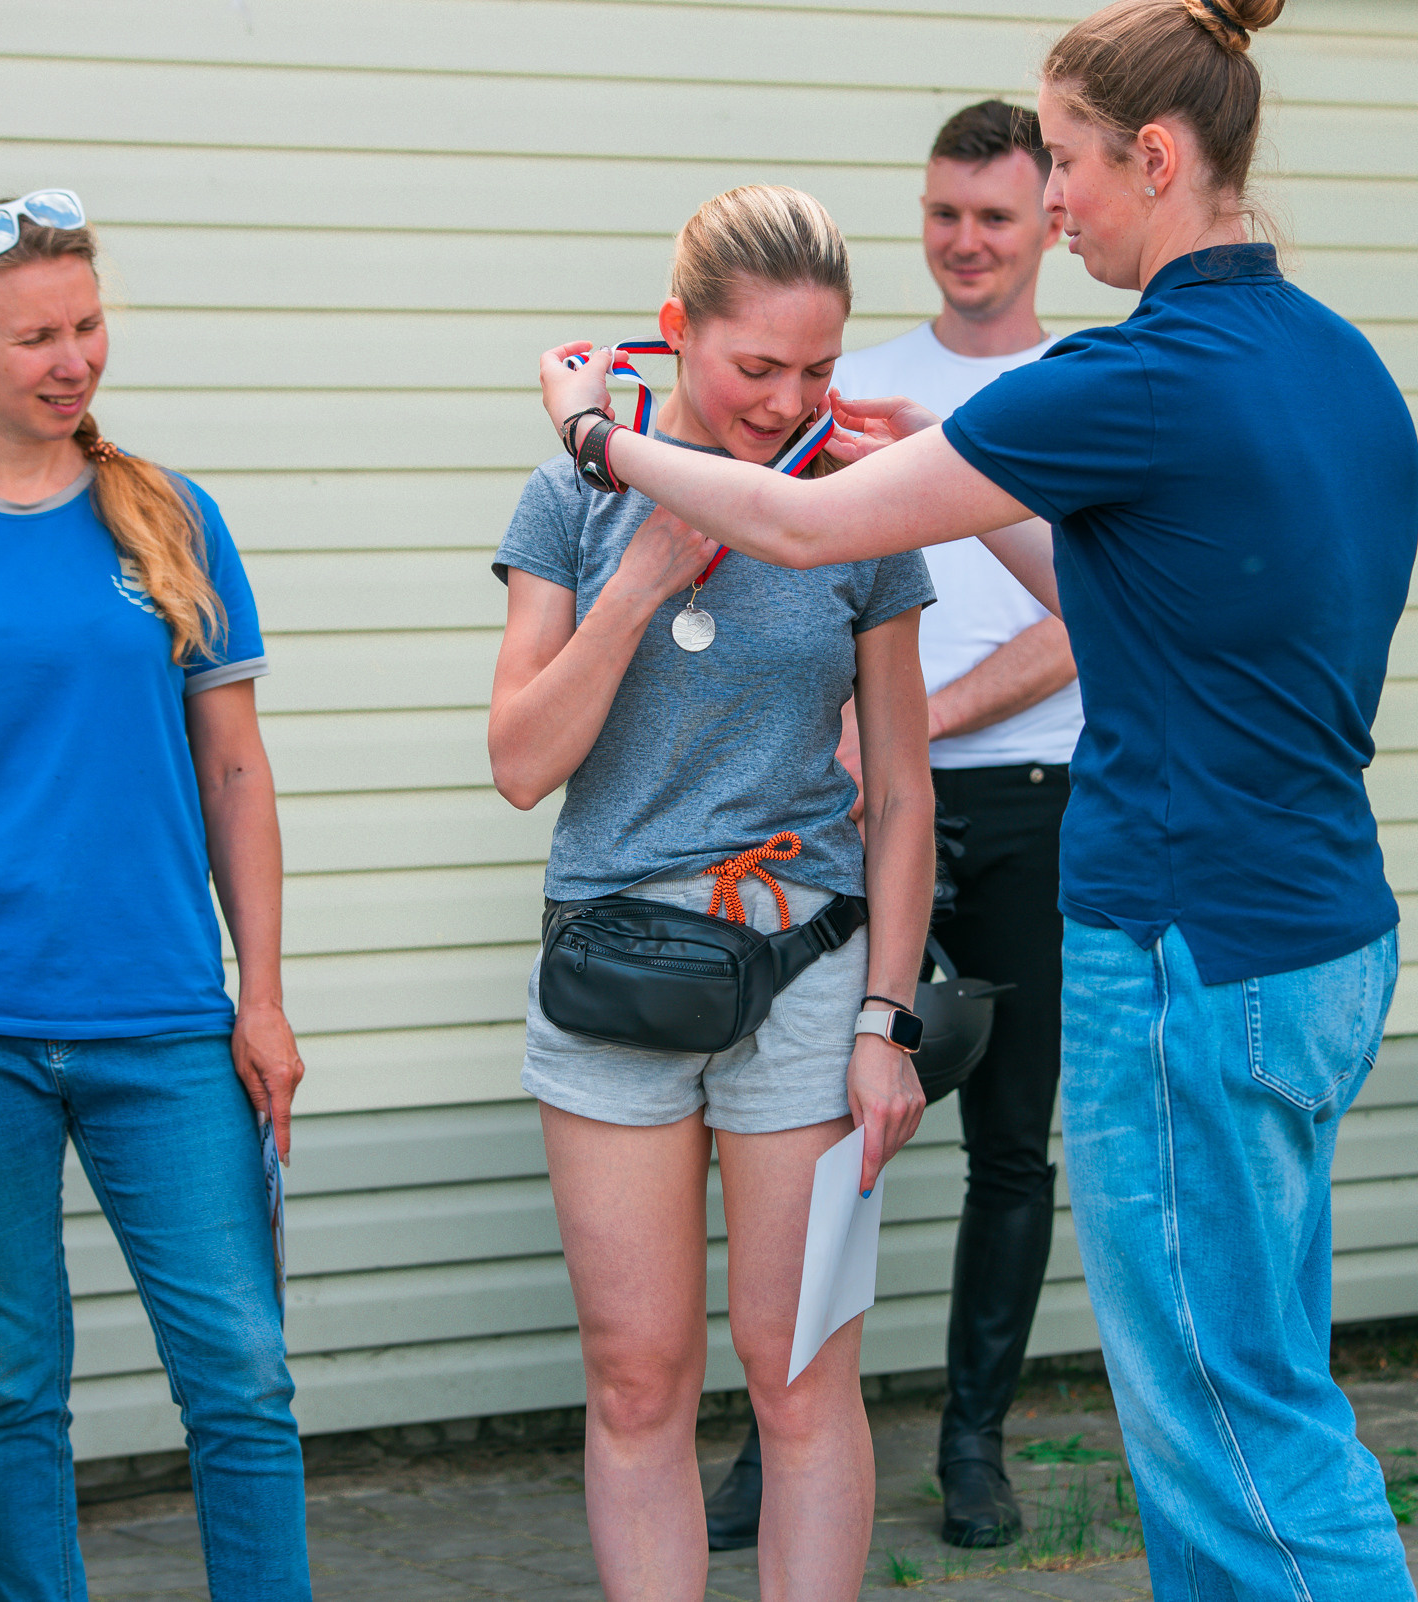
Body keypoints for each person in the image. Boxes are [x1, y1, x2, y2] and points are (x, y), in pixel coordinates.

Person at [533, 1, 1418, 1593]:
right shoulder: (1337, 362)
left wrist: (604, 436)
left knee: (1227, 1425)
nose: (1053, 201)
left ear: (1153, 158)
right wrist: (945, 436)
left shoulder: (1141, 371)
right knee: (1270, 1382)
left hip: (1188, 955)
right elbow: (1106, 578)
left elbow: (802, 529)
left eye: (1067, 164)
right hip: (1326, 939)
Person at [0, 193, 309, 1602]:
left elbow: (235, 772)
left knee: (242, 1374)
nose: (72, 357)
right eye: (36, 334)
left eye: (87, 325)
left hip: (162, 1020)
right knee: (14, 1384)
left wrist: (259, 996)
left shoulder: (169, 512)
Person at [490, 185, 936, 1602]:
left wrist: (888, 1019)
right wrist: (639, 581)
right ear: (678, 335)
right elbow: (519, 761)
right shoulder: (575, 492)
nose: (788, 400)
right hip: (615, 971)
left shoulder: (860, 507)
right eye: (757, 367)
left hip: (806, 966)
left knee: (795, 1372)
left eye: (819, 369)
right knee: (637, 1376)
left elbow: (909, 794)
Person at [703, 99, 1079, 1553]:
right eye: (943, 213)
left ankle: (974, 1443)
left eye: (994, 215)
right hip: (857, 813)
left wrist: (916, 724)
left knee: (1009, 1144)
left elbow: (1089, 634)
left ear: (1054, 218)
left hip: (1034, 803)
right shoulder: (845, 379)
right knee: (807, 1129)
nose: (965, 243)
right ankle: (773, 1438)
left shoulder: (1083, 384)